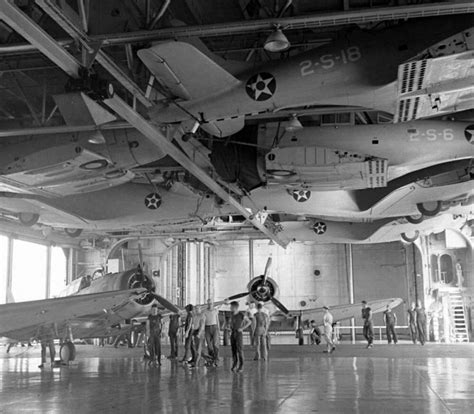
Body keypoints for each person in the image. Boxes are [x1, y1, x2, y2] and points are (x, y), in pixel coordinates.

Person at [229, 301, 252, 372]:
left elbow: (249, 322)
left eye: (231, 307)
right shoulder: (232, 315)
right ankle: (235, 364)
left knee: (240, 349)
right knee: (233, 350)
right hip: (233, 333)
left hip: (238, 333)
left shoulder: (241, 314)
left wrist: (242, 328)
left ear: (234, 307)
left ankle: (241, 365)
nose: (230, 308)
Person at [203, 299, 220, 367]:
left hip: (214, 327)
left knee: (215, 344)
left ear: (213, 304)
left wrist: (218, 329)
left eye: (211, 303)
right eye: (209, 303)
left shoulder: (215, 311)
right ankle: (211, 359)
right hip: (207, 327)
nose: (210, 305)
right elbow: (203, 321)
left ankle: (217, 360)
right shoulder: (205, 311)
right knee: (209, 345)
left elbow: (217, 320)